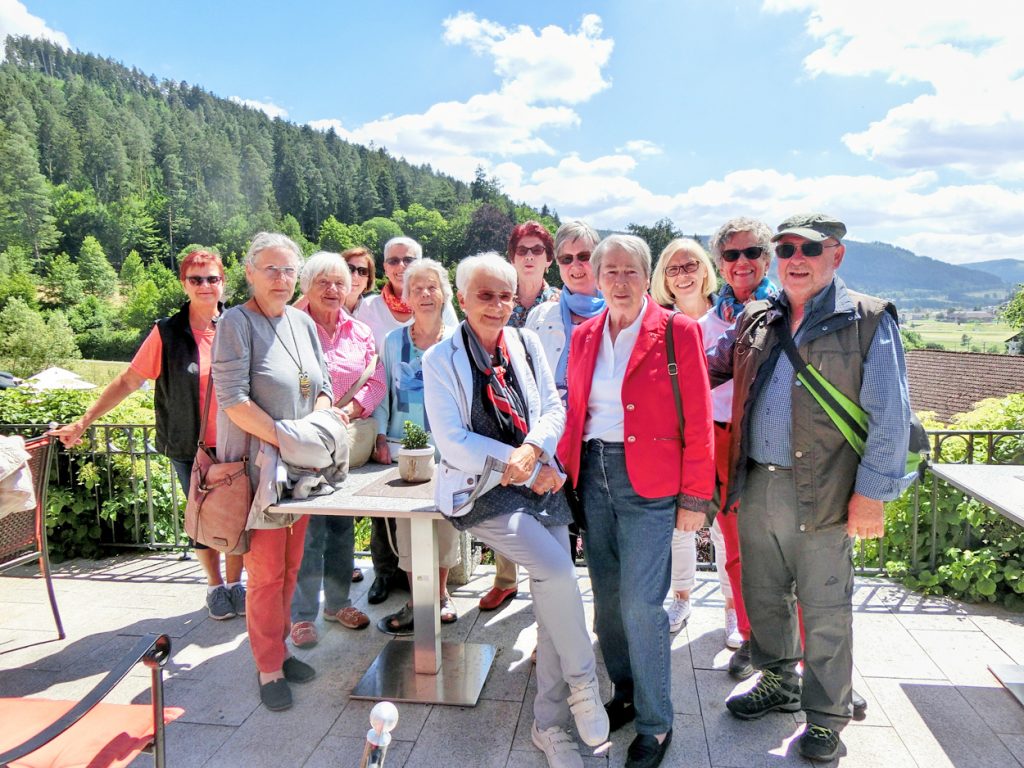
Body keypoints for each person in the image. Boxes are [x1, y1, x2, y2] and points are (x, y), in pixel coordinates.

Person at [707, 213, 913, 762]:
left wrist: (871, 494)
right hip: (757, 484)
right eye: (786, 247)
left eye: (810, 248)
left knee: (825, 607)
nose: (795, 257)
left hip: (827, 489)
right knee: (765, 596)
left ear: (836, 255)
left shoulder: (867, 319)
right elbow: (709, 367)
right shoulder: (759, 317)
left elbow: (891, 415)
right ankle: (779, 681)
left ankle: (826, 718)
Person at [423, 252, 609, 768]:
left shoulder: (525, 342)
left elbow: (554, 407)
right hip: (481, 492)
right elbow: (454, 443)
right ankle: (584, 684)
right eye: (486, 295)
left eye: (506, 296)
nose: (499, 305)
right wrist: (525, 462)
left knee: (556, 596)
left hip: (540, 482)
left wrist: (535, 453)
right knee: (554, 571)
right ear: (462, 298)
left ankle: (549, 726)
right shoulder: (440, 359)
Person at [558, 234, 715, 768]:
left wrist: (696, 495)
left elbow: (698, 418)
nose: (620, 282)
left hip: (650, 482)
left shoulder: (677, 331)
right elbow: (575, 410)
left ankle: (656, 722)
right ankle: (626, 691)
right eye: (611, 272)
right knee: (605, 601)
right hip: (592, 475)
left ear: (646, 277)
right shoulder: (583, 335)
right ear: (596, 278)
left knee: (641, 606)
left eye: (630, 272)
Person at [50, 250, 245, 621]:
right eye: (196, 279)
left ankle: (237, 584)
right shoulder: (167, 332)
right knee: (202, 516)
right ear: (183, 284)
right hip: (188, 443)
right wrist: (84, 421)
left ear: (224, 282)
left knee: (235, 515)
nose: (205, 286)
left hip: (236, 442)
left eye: (212, 278)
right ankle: (215, 586)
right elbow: (129, 380)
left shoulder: (238, 325)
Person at [212, 232, 334, 713]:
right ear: (249, 272)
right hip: (259, 474)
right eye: (271, 269)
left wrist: (315, 428)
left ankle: (279, 649)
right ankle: (267, 668)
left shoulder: (302, 323)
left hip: (300, 471)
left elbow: (322, 388)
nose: (281, 279)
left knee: (290, 567)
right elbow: (233, 401)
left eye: (288, 270)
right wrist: (288, 437)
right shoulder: (236, 324)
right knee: (263, 576)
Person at [288, 253, 386, 649]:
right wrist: (320, 415)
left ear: (350, 289)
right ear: (306, 286)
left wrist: (345, 412)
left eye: (339, 283)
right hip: (305, 442)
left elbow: (376, 380)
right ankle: (303, 615)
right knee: (309, 532)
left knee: (341, 527)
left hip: (344, 442)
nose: (332, 290)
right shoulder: (291, 329)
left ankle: (339, 603)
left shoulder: (360, 332)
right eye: (322, 282)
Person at [355, 236, 457, 606]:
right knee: (406, 524)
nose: (425, 294)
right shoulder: (393, 341)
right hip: (403, 448)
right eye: (417, 288)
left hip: (448, 449)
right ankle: (418, 598)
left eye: (432, 287)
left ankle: (441, 595)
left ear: (444, 295)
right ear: (407, 297)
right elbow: (384, 394)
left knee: (442, 523)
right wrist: (380, 435)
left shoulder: (458, 341)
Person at [703, 217, 779, 675]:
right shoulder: (714, 320)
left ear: (767, 259)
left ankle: (807, 657)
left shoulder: (787, 306)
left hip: (773, 440)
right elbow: (699, 373)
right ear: (721, 265)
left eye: (752, 252)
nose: (742, 262)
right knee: (734, 546)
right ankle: (751, 638)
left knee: (787, 550)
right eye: (731, 255)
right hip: (721, 439)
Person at [651, 238, 733, 635]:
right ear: (663, 279)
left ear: (705, 271)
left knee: (724, 528)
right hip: (676, 440)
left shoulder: (730, 318)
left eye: (690, 266)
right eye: (673, 269)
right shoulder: (658, 325)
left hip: (724, 435)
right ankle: (681, 600)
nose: (683, 275)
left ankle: (733, 609)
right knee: (679, 528)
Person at [479, 221, 559, 612]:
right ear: (512, 257)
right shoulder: (499, 302)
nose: (529, 257)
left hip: (549, 418)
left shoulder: (560, 303)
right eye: (522, 250)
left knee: (547, 504)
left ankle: (544, 593)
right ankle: (505, 579)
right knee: (503, 497)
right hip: (502, 416)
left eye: (537, 250)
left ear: (549, 259)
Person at [341, 246, 375, 317]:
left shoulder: (373, 313)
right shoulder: (323, 306)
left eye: (363, 271)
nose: (355, 276)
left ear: (368, 281)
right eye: (350, 269)